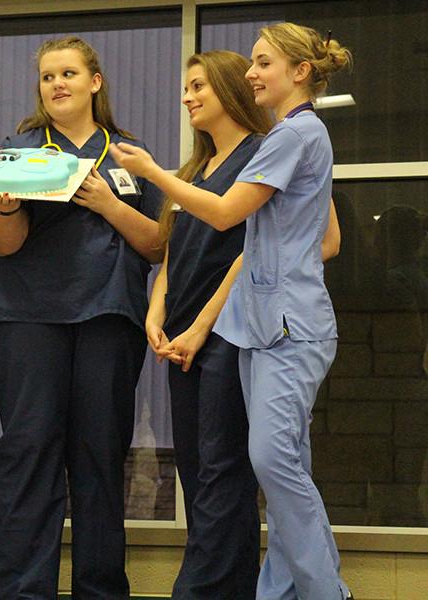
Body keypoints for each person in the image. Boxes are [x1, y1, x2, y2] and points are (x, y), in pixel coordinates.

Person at [111, 22, 352, 600]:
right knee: (277, 462)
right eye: (250, 62)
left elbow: (225, 215)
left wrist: (150, 173)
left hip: (287, 325)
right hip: (257, 328)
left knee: (270, 462)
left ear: (299, 72)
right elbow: (293, 237)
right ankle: (279, 591)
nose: (251, 72)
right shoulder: (281, 138)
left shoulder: (297, 135)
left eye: (262, 62)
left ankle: (325, 590)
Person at [0, 35, 162, 599]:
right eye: (47, 77)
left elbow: (157, 247)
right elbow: (1, 246)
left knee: (99, 463)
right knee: (29, 455)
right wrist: (6, 207)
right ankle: (20, 591)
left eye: (68, 74)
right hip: (27, 321)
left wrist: (109, 204)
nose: (57, 84)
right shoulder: (18, 151)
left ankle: (101, 590)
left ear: (94, 82)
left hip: (107, 318)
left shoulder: (131, 155)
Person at [146, 50, 272, 599]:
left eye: (198, 85)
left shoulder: (262, 156)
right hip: (181, 339)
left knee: (223, 470)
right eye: (186, 86)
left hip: (228, 335)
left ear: (228, 88)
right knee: (197, 473)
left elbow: (251, 254)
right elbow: (174, 255)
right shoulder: (194, 170)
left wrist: (201, 325)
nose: (187, 95)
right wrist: (157, 313)